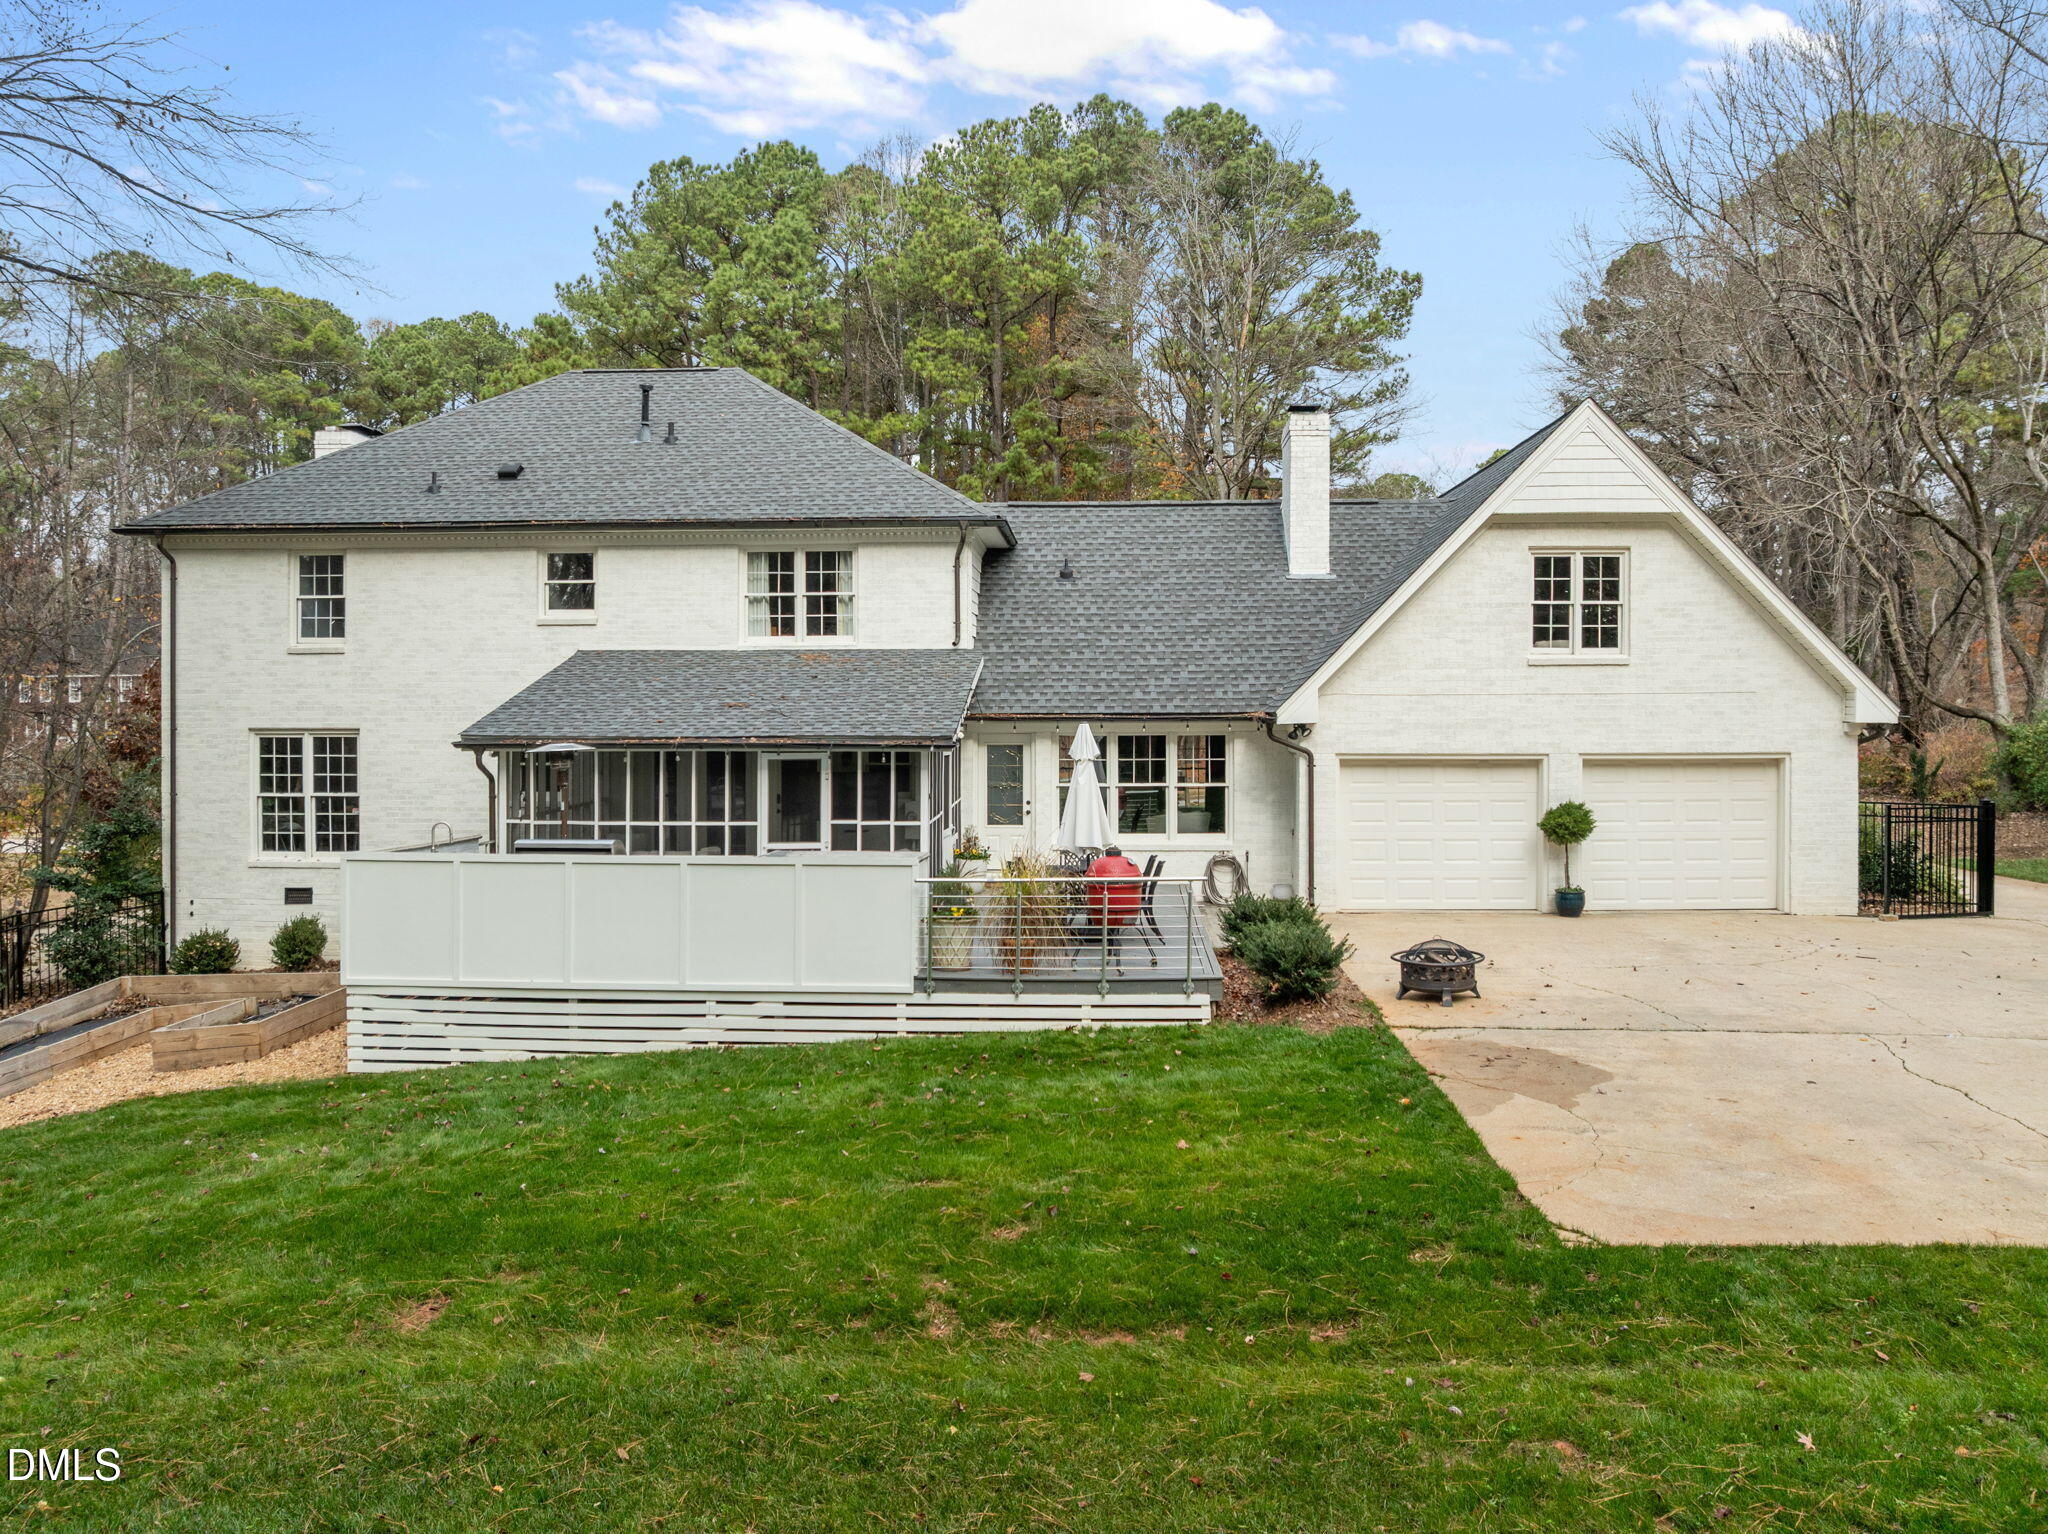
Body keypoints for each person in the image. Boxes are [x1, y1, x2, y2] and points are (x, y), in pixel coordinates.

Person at [1084, 845, 1143, 928]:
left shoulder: (1097, 862)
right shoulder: (1128, 863)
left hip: (1102, 912)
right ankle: (1110, 933)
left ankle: (1108, 932)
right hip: (1124, 909)